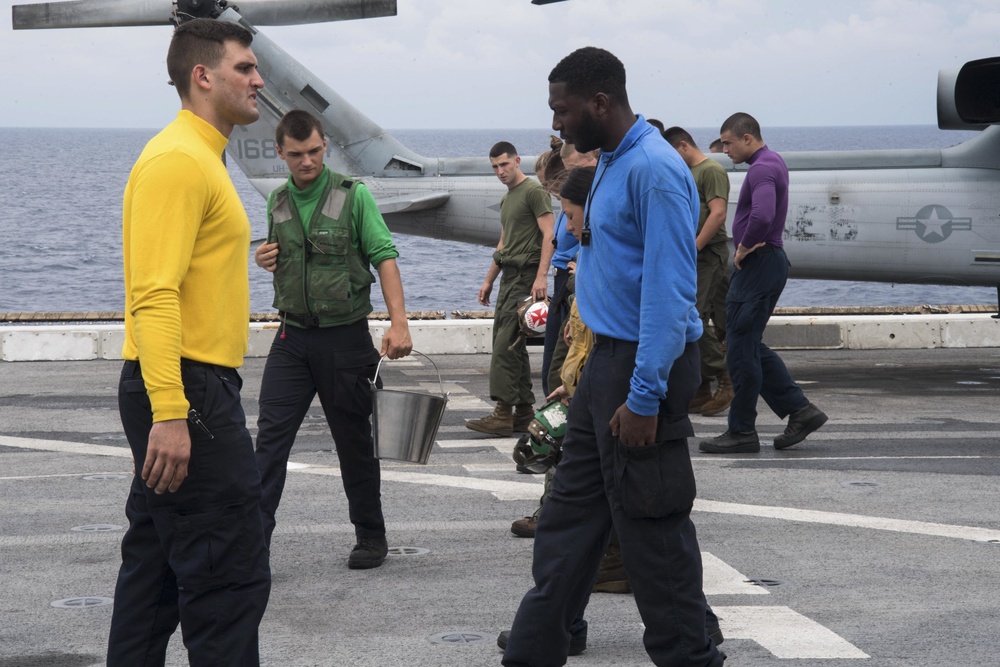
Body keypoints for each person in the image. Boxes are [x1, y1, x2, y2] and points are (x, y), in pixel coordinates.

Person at [501, 47, 724, 667]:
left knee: (652, 534)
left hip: (641, 367)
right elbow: (601, 267)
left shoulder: (654, 169)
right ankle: (533, 650)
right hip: (604, 364)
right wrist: (580, 376)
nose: (557, 124)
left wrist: (645, 396)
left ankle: (691, 656)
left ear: (600, 102)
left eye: (563, 110)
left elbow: (668, 292)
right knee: (568, 521)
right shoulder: (607, 165)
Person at [108, 18, 271, 666]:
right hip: (187, 386)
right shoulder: (178, 160)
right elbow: (154, 292)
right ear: (202, 76)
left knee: (155, 575)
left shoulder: (201, 156)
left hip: (185, 385)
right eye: (245, 68)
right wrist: (172, 411)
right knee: (229, 577)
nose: (259, 80)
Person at [253, 109, 412, 569]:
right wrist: (266, 258)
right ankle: (253, 545)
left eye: (316, 151)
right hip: (291, 337)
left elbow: (384, 257)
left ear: (326, 147)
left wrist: (398, 323)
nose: (308, 162)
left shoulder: (353, 196)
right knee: (269, 443)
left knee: (353, 443)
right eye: (297, 154)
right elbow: (283, 257)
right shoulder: (278, 200)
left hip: (345, 340)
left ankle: (370, 536)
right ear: (280, 153)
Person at [699, 113, 827, 454]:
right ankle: (801, 411)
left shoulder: (761, 168)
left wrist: (743, 246)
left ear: (747, 138)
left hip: (759, 264)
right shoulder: (772, 162)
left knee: (740, 348)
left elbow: (764, 214)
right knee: (749, 345)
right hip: (766, 264)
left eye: (727, 143)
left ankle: (742, 431)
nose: (723, 149)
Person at [467, 142, 555, 436]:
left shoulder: (532, 192)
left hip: (526, 276)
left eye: (504, 164)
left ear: (517, 161)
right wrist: (489, 279)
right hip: (509, 276)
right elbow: (504, 243)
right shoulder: (508, 199)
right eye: (495, 167)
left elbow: (549, 234)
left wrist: (541, 277)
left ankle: (503, 412)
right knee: (513, 346)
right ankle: (524, 411)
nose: (500, 171)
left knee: (505, 345)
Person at [664, 126, 733, 416]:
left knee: (696, 316)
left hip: (707, 255)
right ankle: (701, 386)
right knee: (695, 314)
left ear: (682, 146)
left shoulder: (711, 171)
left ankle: (726, 379)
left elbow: (718, 213)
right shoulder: (688, 173)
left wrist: (693, 247)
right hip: (693, 255)